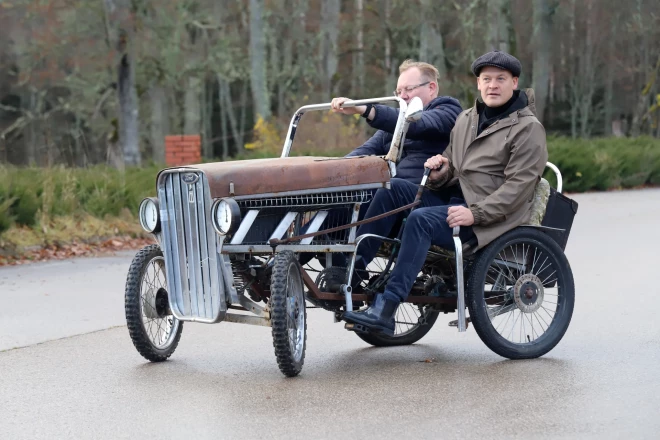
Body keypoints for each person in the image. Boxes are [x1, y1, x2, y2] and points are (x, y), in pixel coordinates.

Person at [342, 50, 549, 336]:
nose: (492, 85)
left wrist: (474, 214)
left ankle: (387, 308)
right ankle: (353, 271)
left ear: (515, 83)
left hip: (489, 218)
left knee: (422, 220)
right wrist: (441, 169)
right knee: (396, 188)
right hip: (456, 201)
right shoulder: (467, 119)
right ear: (478, 84)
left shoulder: (528, 129)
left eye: (501, 79)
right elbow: (453, 166)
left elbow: (518, 187)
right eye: (486, 79)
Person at [299, 60, 461, 268]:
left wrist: (366, 109)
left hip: (422, 199)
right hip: (387, 201)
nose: (402, 96)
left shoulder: (448, 110)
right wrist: (326, 172)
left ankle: (354, 268)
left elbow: (419, 124)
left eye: (409, 89)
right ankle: (286, 264)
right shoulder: (395, 124)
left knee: (389, 188)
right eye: (399, 91)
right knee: (337, 205)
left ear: (431, 87)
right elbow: (363, 153)